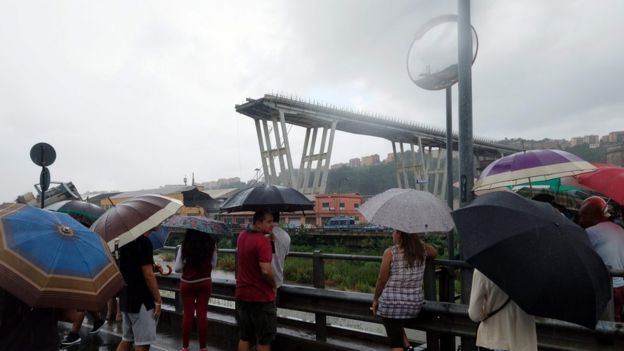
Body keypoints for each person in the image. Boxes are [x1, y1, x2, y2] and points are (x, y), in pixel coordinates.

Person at [372, 230, 437, 351]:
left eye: (394, 232)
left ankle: (403, 347)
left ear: (400, 235)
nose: (392, 234)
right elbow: (435, 252)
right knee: (395, 324)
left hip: (391, 303)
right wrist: (417, 241)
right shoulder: (422, 250)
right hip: (414, 304)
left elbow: (382, 279)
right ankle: (408, 346)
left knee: (394, 338)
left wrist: (376, 299)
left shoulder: (390, 252)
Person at [235, 209, 277, 351]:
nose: (273, 224)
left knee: (244, 336)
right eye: (269, 221)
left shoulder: (241, 236)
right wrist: (274, 285)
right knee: (264, 339)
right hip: (261, 297)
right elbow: (265, 270)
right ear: (258, 223)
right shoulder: (262, 241)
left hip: (242, 294)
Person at [578, 196, 624, 322]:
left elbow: (579, 258)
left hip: (607, 288)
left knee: (606, 325)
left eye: (583, 215)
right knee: (616, 321)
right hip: (621, 284)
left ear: (593, 214)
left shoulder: (591, 232)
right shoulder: (619, 229)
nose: (581, 221)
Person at [116, 227, 162, 351]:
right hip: (142, 300)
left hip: (126, 296)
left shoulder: (124, 241)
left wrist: (152, 267)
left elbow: (132, 266)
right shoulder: (144, 242)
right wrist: (158, 300)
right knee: (143, 344)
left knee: (126, 339)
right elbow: (148, 274)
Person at [468, 269, 537, 351]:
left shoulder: (482, 269)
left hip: (494, 339)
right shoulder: (532, 269)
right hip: (525, 342)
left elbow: (474, 314)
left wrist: (484, 315)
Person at [173, 229, 218, 351]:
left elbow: (177, 268)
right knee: (202, 315)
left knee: (188, 315)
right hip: (204, 282)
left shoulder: (184, 246)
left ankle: (185, 347)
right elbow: (213, 265)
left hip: (187, 283)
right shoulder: (211, 245)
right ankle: (203, 347)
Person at [270, 212, 291, 290]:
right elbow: (285, 257)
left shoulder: (263, 234)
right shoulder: (286, 235)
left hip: (262, 280)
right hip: (278, 279)